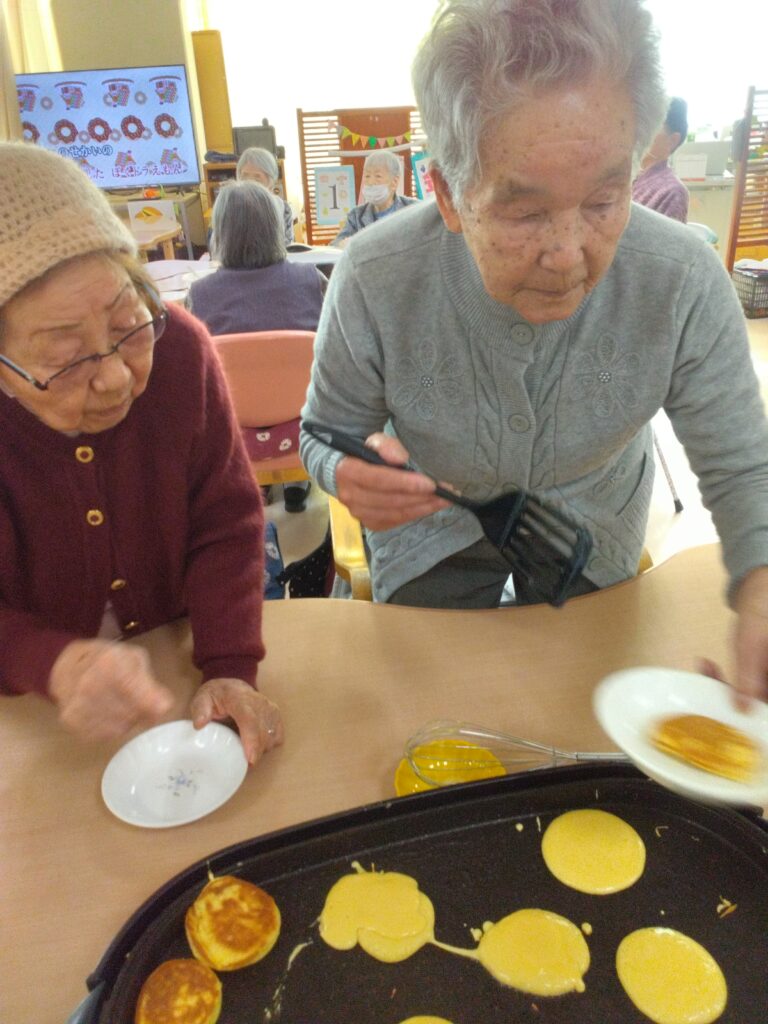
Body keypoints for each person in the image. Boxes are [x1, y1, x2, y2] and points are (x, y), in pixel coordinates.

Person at [300, 0, 768, 706]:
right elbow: (322, 431)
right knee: (430, 713)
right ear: (447, 194)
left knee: (587, 714)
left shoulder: (680, 278)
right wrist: (343, 472)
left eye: (604, 200)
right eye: (524, 212)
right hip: (432, 528)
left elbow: (744, 465)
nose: (568, 253)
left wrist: (759, 583)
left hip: (594, 524)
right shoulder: (375, 276)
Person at [0, 143, 283, 764]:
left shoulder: (181, 351)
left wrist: (229, 664)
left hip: (175, 668)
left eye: (127, 324)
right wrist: (50, 663)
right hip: (27, 718)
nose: (116, 378)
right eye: (65, 358)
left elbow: (224, 519)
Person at [189, 180, 326, 512]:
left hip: (234, 436)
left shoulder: (200, 295)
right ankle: (296, 483)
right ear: (276, 227)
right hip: (306, 428)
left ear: (220, 233)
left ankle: (256, 483)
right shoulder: (312, 280)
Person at [331, 150, 419, 248]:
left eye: (378, 176)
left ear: (394, 182)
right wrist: (342, 244)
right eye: (367, 176)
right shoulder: (356, 215)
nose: (370, 182)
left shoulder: (413, 209)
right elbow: (335, 244)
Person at [632, 96, 690, 222]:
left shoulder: (673, 192)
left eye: (652, 127)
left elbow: (669, 236)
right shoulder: (628, 174)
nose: (640, 132)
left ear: (673, 141)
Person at [237, 146, 294, 244]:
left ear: (270, 181)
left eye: (257, 179)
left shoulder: (283, 208)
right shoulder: (229, 207)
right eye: (245, 177)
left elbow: (288, 246)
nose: (250, 184)